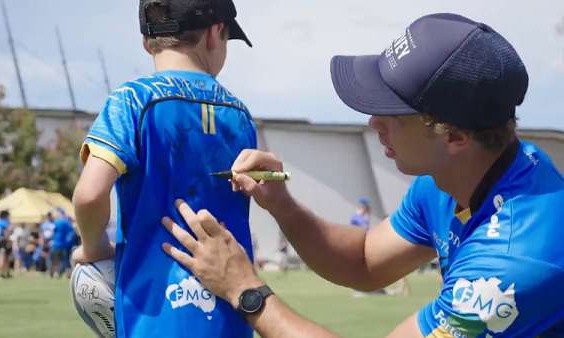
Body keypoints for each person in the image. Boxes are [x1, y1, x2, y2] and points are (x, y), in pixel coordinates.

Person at [161, 13, 564, 337]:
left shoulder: (514, 265)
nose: (373, 121)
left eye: (393, 112)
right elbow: (366, 261)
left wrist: (245, 290)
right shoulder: (457, 177)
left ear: (455, 136)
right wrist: (282, 206)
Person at [71, 0, 255, 337]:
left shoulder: (133, 101)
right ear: (215, 34)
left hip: (151, 318)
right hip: (231, 314)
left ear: (146, 42)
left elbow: (89, 194)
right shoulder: (240, 114)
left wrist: (93, 246)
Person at [50, 209, 74, 278]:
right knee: (64, 260)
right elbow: (71, 232)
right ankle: (58, 273)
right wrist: (68, 241)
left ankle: (54, 272)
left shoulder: (56, 222)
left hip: (56, 244)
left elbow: (52, 232)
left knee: (55, 260)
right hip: (64, 245)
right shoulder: (67, 222)